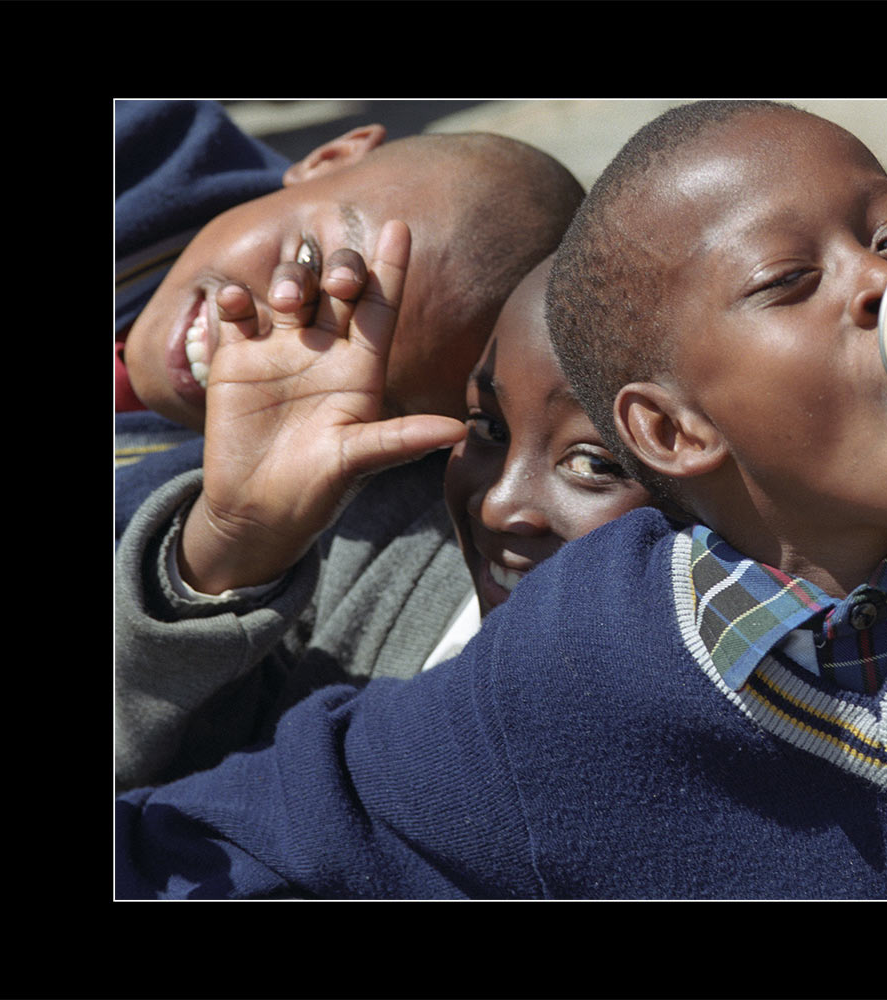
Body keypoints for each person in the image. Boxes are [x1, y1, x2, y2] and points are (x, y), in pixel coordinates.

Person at [116, 100, 887, 899]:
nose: (882, 287)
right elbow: (208, 847)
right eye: (792, 280)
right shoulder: (565, 686)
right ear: (672, 430)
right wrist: (218, 551)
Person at [114, 255, 651, 790]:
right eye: (488, 426)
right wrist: (235, 536)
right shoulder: (371, 548)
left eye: (594, 464)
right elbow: (166, 768)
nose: (495, 506)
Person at [114, 100, 583, 476]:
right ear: (328, 158)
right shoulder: (138, 142)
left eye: (348, 386)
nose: (257, 347)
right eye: (306, 261)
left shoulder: (200, 513)